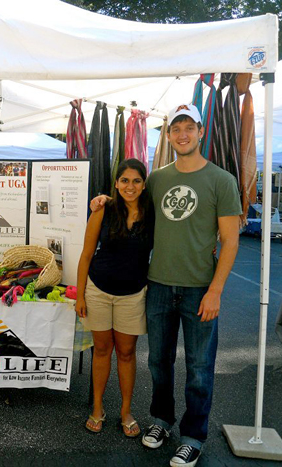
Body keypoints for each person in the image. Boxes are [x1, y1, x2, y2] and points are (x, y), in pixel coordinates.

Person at [91, 104, 241, 467]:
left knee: (200, 367)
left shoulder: (222, 180)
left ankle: (193, 436)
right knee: (158, 362)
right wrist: (105, 200)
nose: (183, 134)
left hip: (199, 289)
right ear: (168, 135)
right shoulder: (156, 178)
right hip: (157, 285)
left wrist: (216, 290)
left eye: (189, 127)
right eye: (176, 128)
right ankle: (161, 421)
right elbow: (131, 198)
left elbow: (231, 240)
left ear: (201, 131)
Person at [76, 158, 153, 439]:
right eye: (124, 180)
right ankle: (97, 408)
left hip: (133, 294)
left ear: (144, 184)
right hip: (98, 289)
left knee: (127, 353)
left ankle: (126, 411)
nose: (129, 186)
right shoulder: (104, 209)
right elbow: (86, 255)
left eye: (136, 181)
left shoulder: (152, 212)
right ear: (116, 183)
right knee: (101, 350)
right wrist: (80, 294)